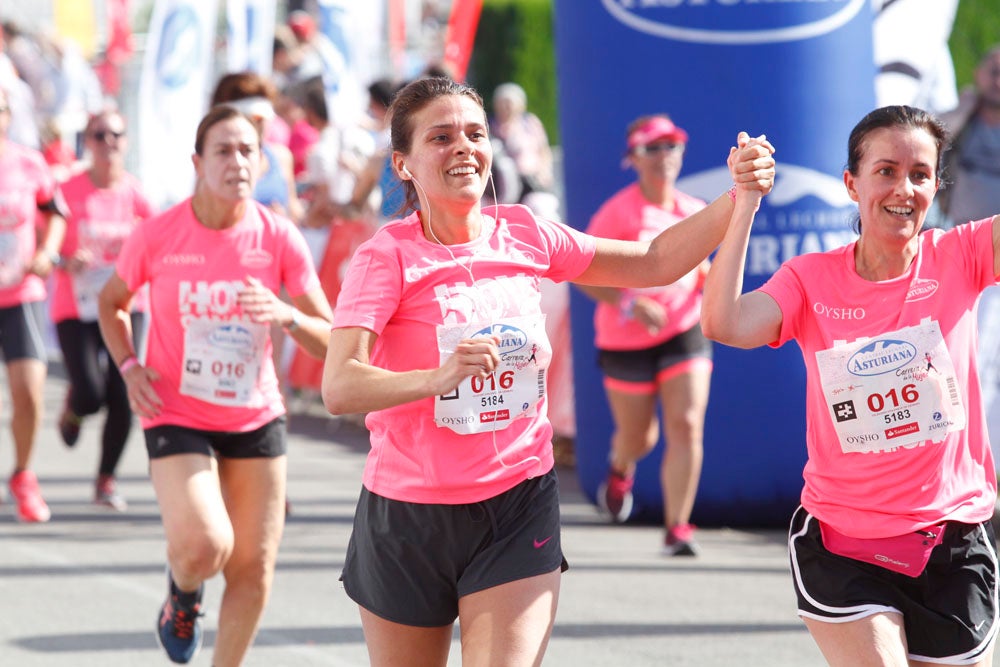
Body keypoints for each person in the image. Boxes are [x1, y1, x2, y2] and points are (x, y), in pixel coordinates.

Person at [321, 76, 774, 666]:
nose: (463, 147)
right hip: (409, 514)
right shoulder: (386, 258)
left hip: (518, 499)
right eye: (441, 137)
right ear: (404, 165)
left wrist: (737, 194)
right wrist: (434, 379)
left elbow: (657, 261)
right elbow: (340, 385)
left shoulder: (526, 232)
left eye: (475, 134)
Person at [701, 105, 998, 666]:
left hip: (952, 543)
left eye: (919, 174)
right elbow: (724, 323)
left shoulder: (962, 254)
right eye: (885, 171)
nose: (902, 189)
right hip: (845, 543)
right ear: (851, 183)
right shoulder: (810, 278)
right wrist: (744, 204)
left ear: (936, 185)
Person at [97, 105, 333, 665]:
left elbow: (333, 337)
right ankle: (183, 592)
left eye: (249, 150)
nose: (237, 162)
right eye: (224, 151)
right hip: (175, 410)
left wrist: (286, 315)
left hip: (255, 415)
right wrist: (130, 366)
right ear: (198, 162)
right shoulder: (158, 234)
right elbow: (112, 304)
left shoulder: (279, 237)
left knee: (253, 568)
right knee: (207, 545)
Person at [578, 115, 712, 555]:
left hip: (684, 330)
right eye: (652, 148)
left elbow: (707, 268)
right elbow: (580, 272)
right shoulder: (618, 212)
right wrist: (629, 302)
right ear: (633, 158)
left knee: (687, 424)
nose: (663, 157)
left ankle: (678, 528)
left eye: (671, 147)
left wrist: (707, 278)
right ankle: (621, 466)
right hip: (625, 341)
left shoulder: (694, 211)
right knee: (640, 438)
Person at [51, 109, 154, 511]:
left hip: (128, 303)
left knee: (123, 388)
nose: (108, 142)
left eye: (116, 134)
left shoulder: (136, 193)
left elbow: (156, 245)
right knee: (91, 393)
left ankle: (106, 479)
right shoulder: (68, 191)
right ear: (87, 142)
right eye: (99, 135)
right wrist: (63, 259)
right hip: (76, 305)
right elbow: (47, 238)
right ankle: (74, 411)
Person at [0, 85, 66, 523]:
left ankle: (23, 475)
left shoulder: (27, 162)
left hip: (20, 294)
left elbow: (55, 212)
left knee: (28, 393)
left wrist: (48, 253)